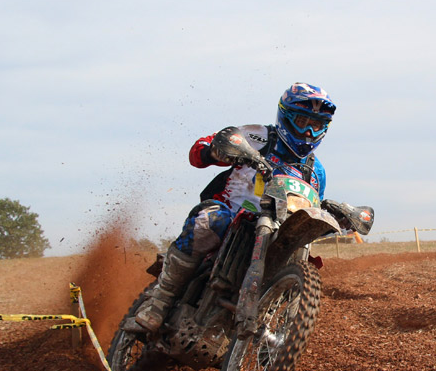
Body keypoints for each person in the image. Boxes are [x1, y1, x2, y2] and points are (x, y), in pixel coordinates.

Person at [133, 83, 336, 333]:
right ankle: (160, 301)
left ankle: (278, 335)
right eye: (302, 121)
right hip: (233, 214)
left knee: (303, 257)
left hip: (276, 231)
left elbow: (313, 205)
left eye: (316, 124)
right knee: (209, 221)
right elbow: (199, 151)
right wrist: (215, 152)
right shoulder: (257, 136)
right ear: (286, 116)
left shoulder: (316, 171)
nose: (308, 131)